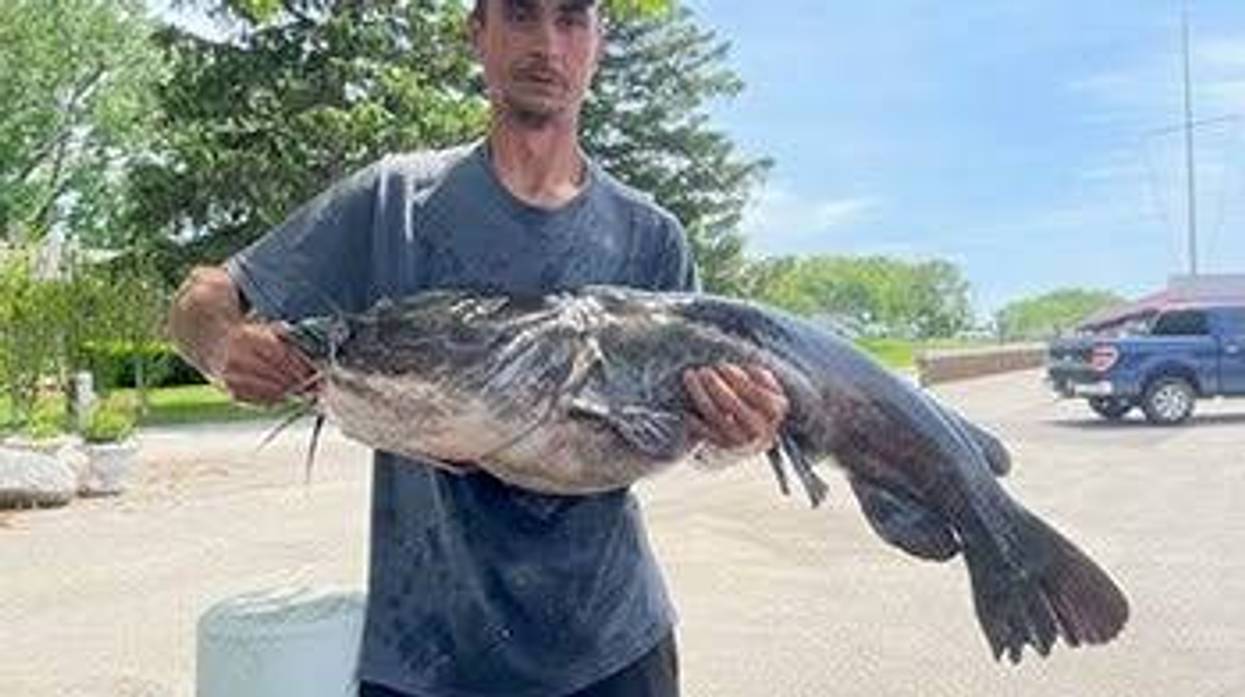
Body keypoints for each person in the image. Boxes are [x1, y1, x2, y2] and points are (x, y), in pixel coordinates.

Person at [168, 0, 789, 695]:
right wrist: (222, 348)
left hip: (612, 652)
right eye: (520, 16)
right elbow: (203, 296)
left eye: (570, 19)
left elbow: (689, 440)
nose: (546, 45)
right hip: (422, 657)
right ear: (477, 34)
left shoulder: (651, 237)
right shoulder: (393, 201)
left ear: (597, 41)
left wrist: (740, 432)